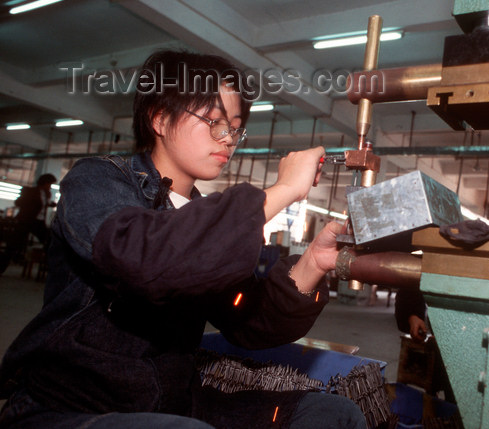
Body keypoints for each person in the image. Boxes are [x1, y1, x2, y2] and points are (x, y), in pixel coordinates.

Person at [0, 50, 365, 429]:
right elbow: (149, 257)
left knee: (333, 414)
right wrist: (284, 189)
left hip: (171, 405)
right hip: (69, 409)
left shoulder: (203, 219)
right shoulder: (96, 182)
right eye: (213, 121)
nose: (228, 139)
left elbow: (247, 321)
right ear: (159, 118)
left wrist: (313, 264)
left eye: (235, 127)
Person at [0, 173, 57, 275]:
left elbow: (42, 204)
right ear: (45, 182)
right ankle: (2, 266)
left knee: (49, 240)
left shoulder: (47, 194)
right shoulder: (31, 191)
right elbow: (18, 203)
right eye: (50, 184)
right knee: (13, 245)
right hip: (26, 221)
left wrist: (50, 204)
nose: (50, 186)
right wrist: (30, 203)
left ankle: (50, 266)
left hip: (38, 222)